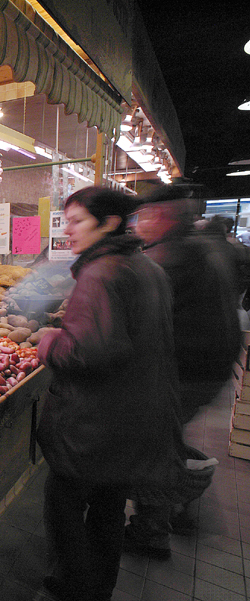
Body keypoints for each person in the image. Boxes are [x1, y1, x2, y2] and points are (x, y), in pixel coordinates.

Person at [36, 187, 183, 601]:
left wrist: (49, 341)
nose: (68, 230)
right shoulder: (146, 266)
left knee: (63, 505)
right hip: (133, 417)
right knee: (108, 509)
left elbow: (88, 352)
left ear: (110, 223)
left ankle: (74, 587)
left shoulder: (101, 273)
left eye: (77, 220)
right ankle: (99, 587)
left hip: (95, 423)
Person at [125, 185, 242, 556]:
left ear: (160, 216)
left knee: (154, 446)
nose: (138, 224)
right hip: (211, 367)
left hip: (187, 371)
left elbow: (147, 320)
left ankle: (152, 529)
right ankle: (181, 508)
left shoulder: (172, 256)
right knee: (167, 440)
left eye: (142, 216)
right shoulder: (205, 247)